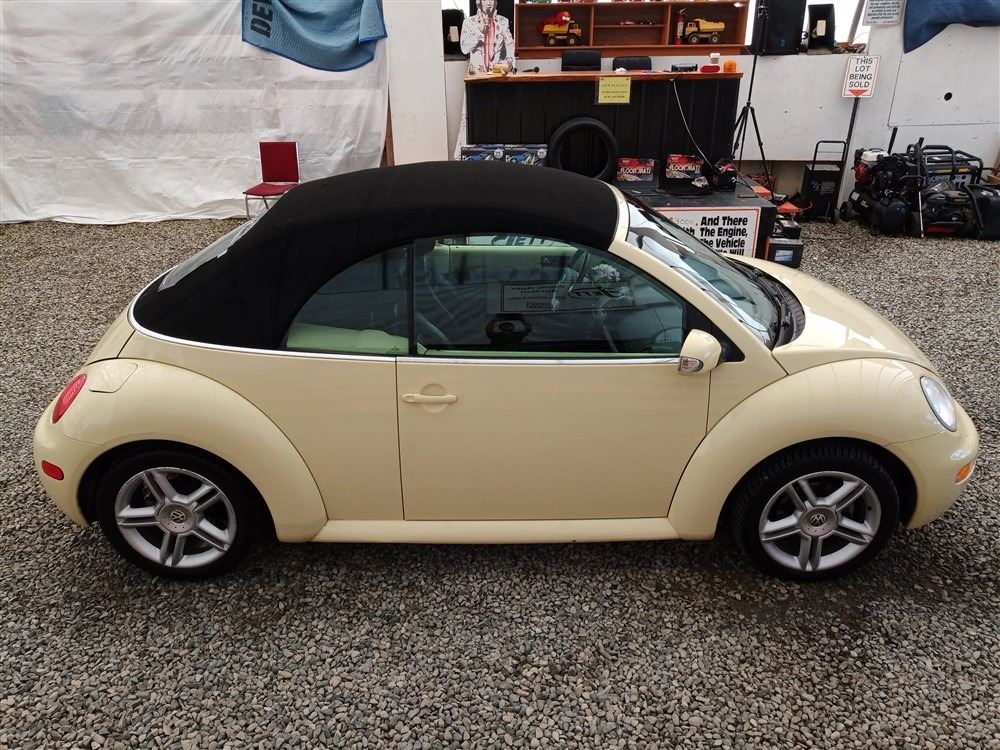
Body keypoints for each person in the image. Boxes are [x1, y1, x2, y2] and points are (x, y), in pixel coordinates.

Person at [461, 0, 515, 75]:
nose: (489, 3)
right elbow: (464, 49)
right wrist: (481, 33)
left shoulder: (503, 21)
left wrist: (509, 62)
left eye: (491, 0)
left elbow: (510, 46)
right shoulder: (469, 22)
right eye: (485, 0)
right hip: (476, 74)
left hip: (497, 73)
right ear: (479, 2)